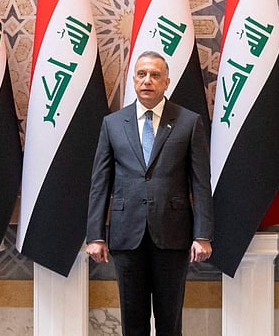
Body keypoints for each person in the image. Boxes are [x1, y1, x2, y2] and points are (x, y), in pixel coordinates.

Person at [86, 50, 213, 336]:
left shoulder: (188, 122)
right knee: (133, 322)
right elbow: (100, 182)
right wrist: (95, 235)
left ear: (166, 82)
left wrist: (202, 235)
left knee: (170, 322)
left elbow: (201, 183)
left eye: (155, 75)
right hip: (126, 236)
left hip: (173, 236)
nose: (147, 81)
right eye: (142, 74)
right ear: (133, 80)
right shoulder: (113, 124)